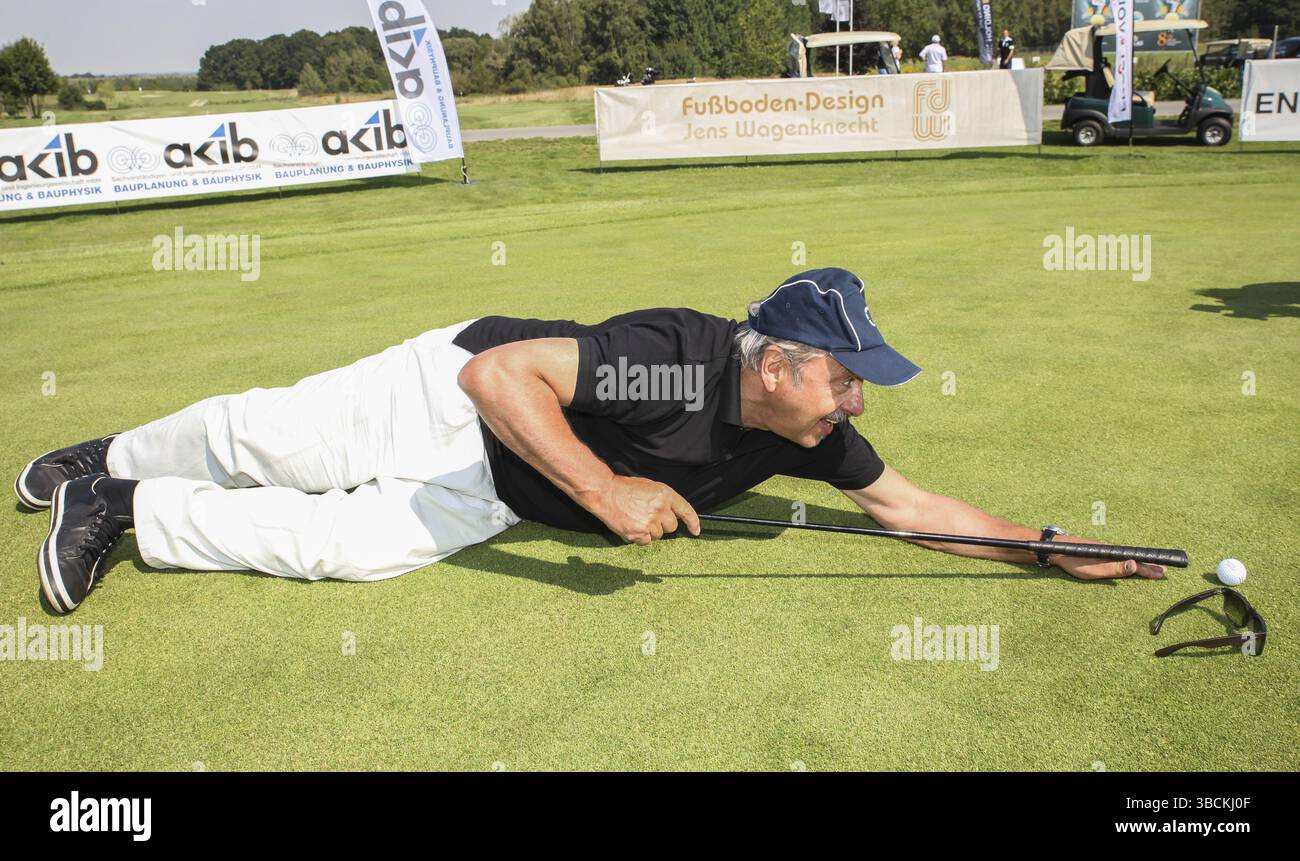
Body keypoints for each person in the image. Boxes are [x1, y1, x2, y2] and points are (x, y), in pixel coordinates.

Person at [18, 268, 1166, 614]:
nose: (853, 404)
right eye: (842, 379)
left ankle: (126, 512)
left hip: (511, 490)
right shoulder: (678, 352)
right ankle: (104, 457)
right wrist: (610, 488)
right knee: (275, 441)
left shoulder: (803, 431)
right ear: (773, 363)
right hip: (453, 396)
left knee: (347, 552)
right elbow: (495, 374)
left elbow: (911, 510)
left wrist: (1041, 543)